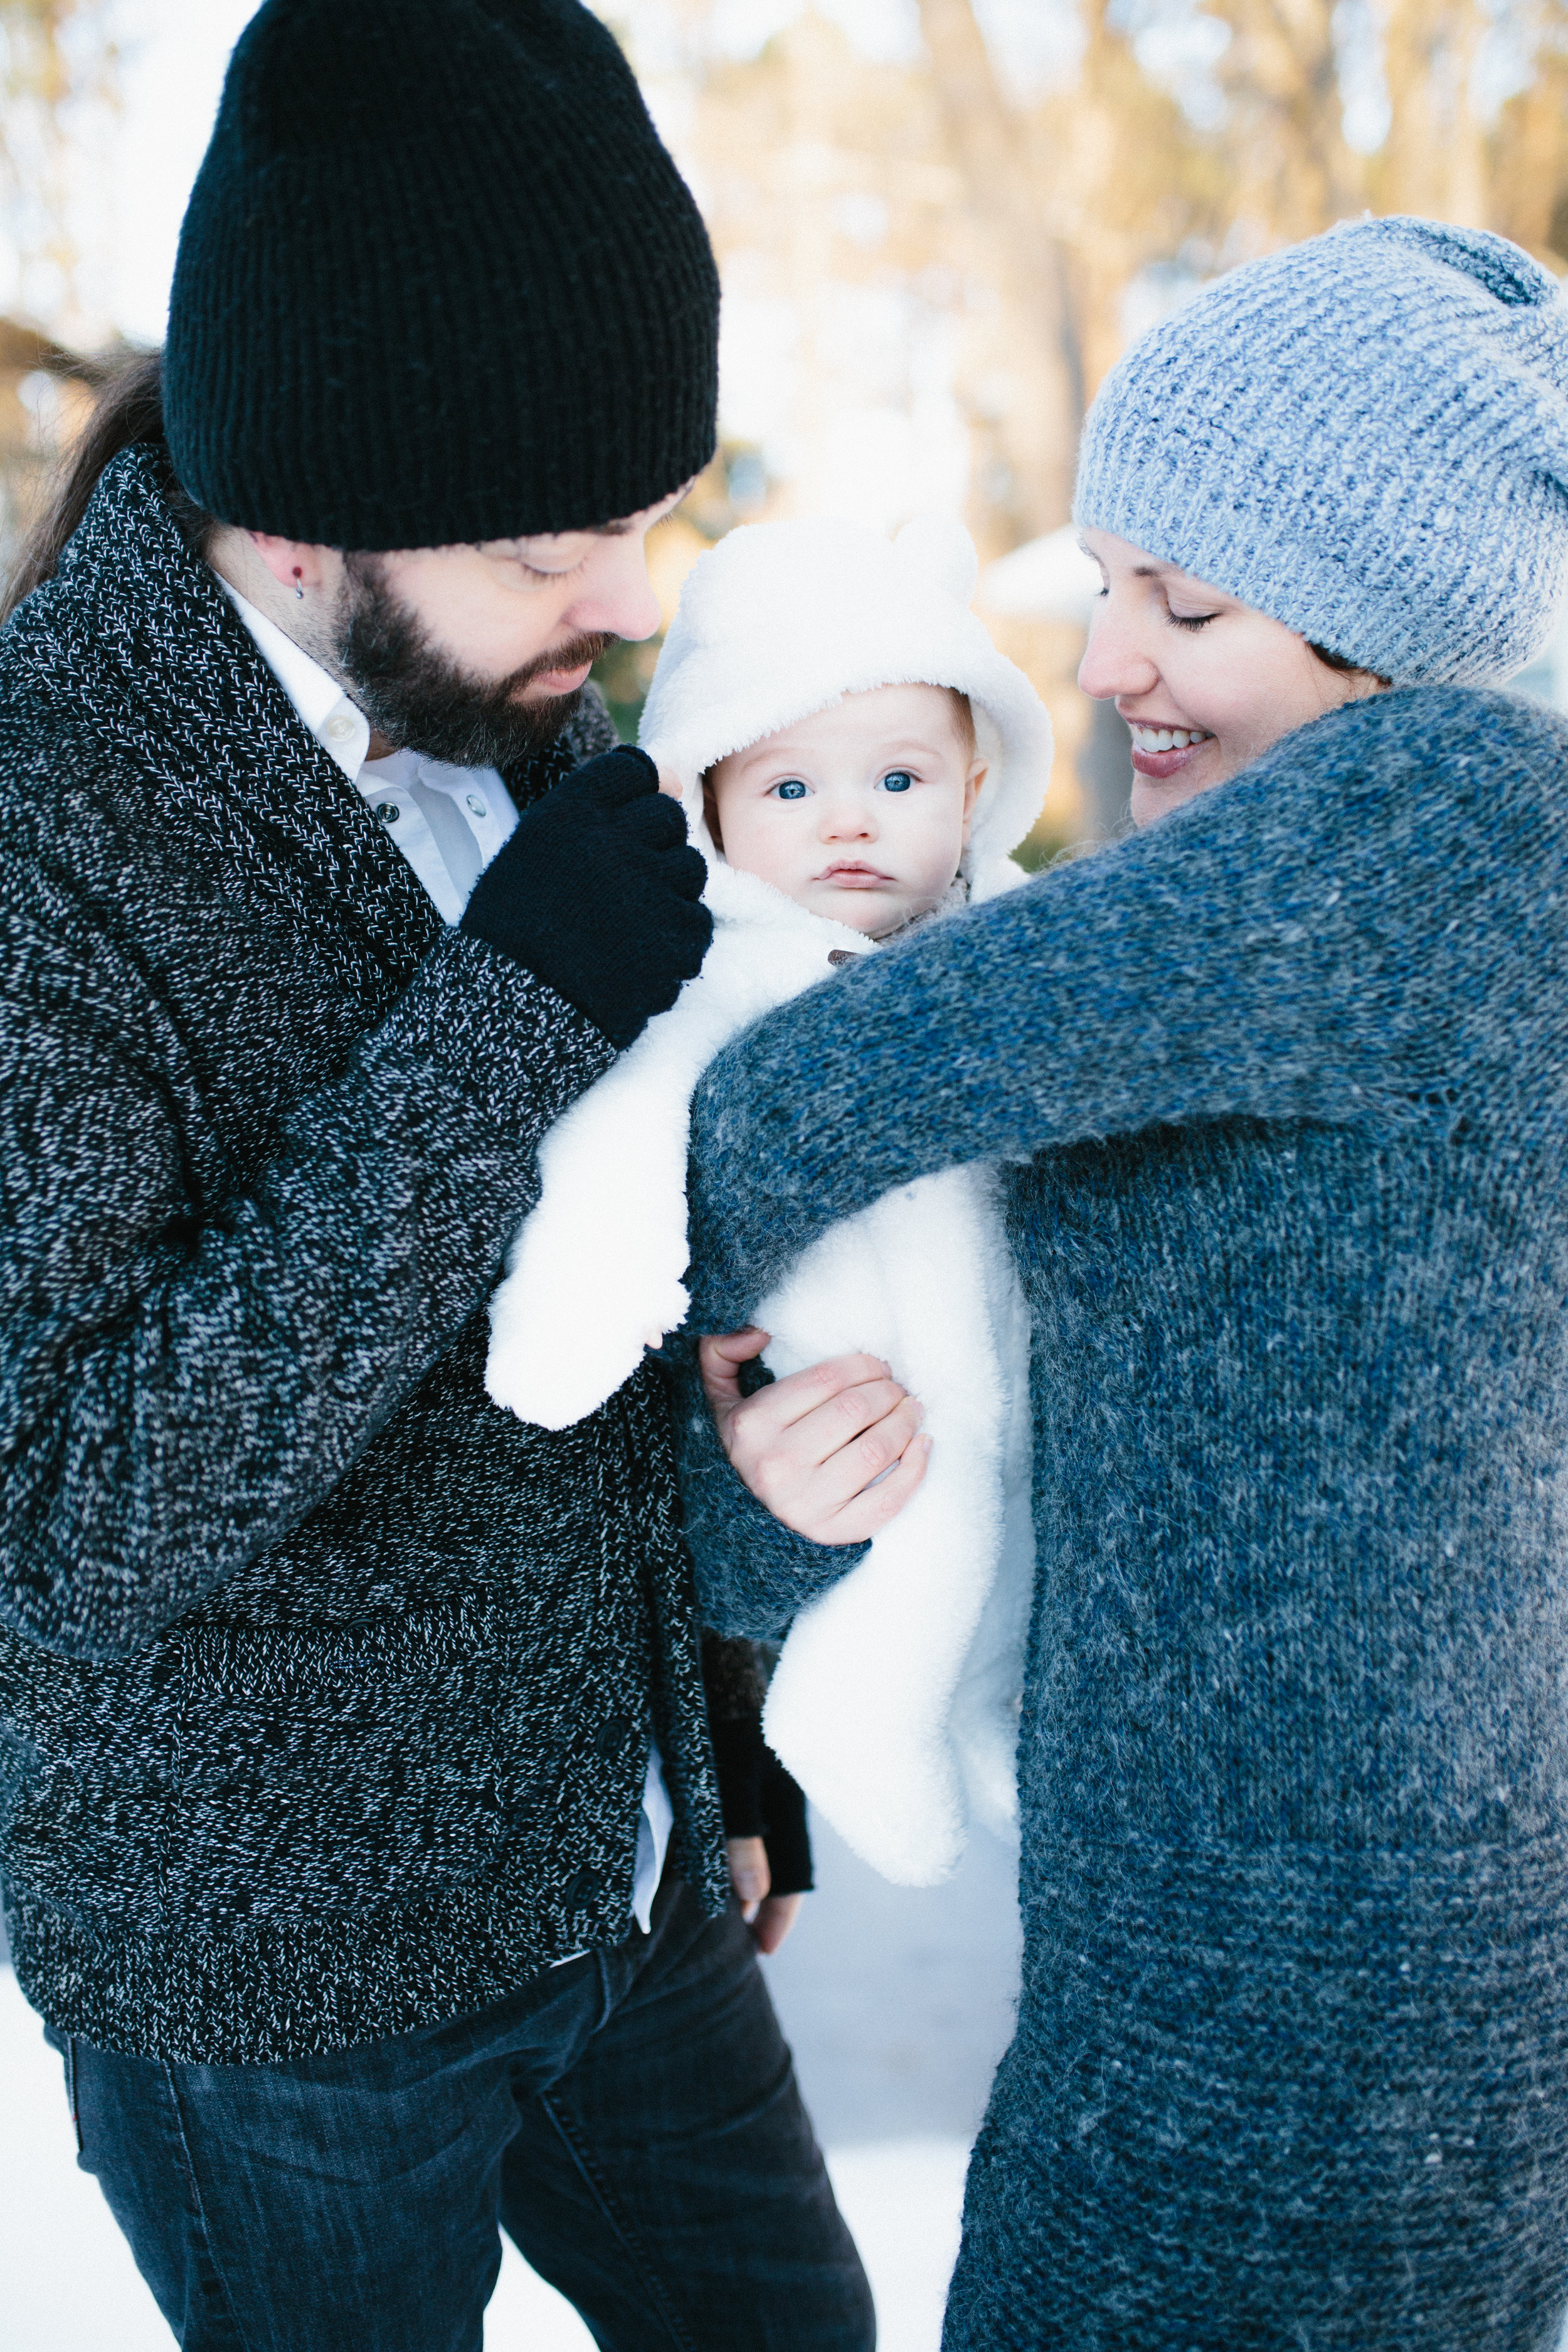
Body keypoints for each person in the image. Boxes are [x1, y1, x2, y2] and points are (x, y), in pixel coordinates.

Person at [0, 4, 872, 2348]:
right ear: (300, 511)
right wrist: (498, 1028)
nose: (629, 599)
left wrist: (721, 1693)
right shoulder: (45, 829)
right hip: (271, 1985)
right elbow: (69, 1517)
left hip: (622, 1882)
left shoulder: (526, 709)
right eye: (559, 542)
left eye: (648, 519)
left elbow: (602, 1306)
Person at [674, 215, 1568, 2344]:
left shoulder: (1437, 814)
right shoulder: (1309, 892)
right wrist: (756, 1539)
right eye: (1105, 588)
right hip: (1269, 1939)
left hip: (1312, 2005)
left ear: (1387, 620)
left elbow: (809, 1097)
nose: (1104, 663)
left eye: (1191, 602)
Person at [484, 511, 1052, 1886]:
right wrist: (577, 1305)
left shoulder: (1017, 944)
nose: (848, 820)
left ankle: (989, 1721)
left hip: (1005, 1347)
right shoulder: (713, 969)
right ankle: (852, 1720)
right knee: (922, 1522)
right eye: (790, 790)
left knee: (1018, 1546)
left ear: (973, 792)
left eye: (900, 777)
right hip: (851, 1365)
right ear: (715, 807)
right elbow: (621, 1123)